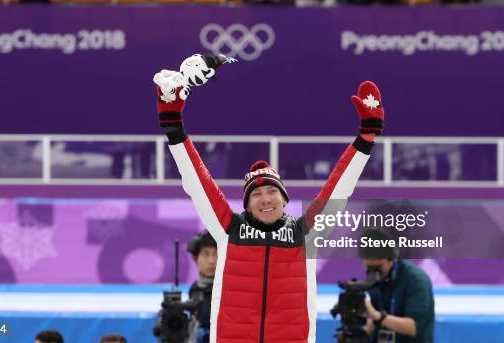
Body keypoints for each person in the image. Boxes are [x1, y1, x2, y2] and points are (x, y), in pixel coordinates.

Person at [154, 65, 384, 342]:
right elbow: (196, 181)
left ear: (285, 199)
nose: (265, 199)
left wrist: (366, 138)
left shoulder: (306, 233)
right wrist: (173, 125)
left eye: (272, 192)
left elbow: (338, 189)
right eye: (256, 194)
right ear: (247, 205)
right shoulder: (230, 229)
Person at [358, 229, 435, 343]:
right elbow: (372, 320)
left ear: (391, 258)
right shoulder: (373, 280)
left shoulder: (416, 280)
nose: (374, 273)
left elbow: (413, 327)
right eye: (368, 267)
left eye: (378, 267)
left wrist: (378, 316)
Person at [186, 232, 218, 343]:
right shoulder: (194, 289)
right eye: (205, 254)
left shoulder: (232, 288)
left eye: (216, 254)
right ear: (196, 258)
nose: (211, 261)